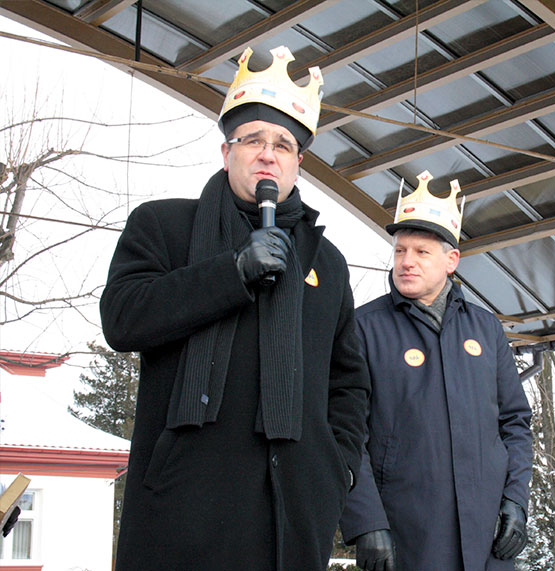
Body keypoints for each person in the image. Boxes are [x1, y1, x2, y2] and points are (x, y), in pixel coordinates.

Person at [100, 46, 369, 570]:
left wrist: (336, 469)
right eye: (253, 140)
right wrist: (232, 272)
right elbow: (123, 317)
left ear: (297, 163)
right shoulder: (163, 226)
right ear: (227, 152)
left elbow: (349, 381)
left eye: (284, 145)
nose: (268, 154)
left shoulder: (327, 262)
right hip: (183, 508)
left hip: (291, 513)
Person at [339, 171, 533, 570]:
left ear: (451, 260)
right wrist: (366, 521)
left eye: (421, 252)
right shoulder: (363, 327)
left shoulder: (486, 328)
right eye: (399, 251)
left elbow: (515, 422)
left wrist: (516, 499)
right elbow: (345, 433)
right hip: (406, 535)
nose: (406, 262)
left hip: (488, 537)